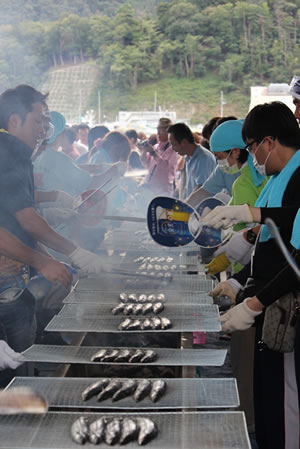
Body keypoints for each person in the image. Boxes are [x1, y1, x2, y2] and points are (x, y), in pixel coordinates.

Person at [206, 101, 300, 449]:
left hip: (286, 310)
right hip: (269, 304)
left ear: (268, 142)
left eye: (250, 148)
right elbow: (269, 238)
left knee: (287, 404)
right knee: (270, 401)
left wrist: (255, 303)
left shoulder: (298, 174)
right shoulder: (278, 177)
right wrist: (240, 281)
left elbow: (296, 257)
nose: (251, 158)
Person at [205, 119, 268, 275]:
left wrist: (230, 253)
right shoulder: (260, 176)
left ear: (235, 151)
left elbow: (256, 226)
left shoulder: (243, 183)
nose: (219, 162)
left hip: (251, 266)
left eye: (219, 157)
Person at [168, 122, 216, 198]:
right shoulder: (189, 157)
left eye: (174, 145)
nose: (173, 149)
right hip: (193, 206)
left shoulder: (203, 158)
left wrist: (186, 205)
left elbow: (201, 189)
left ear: (183, 142)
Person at [139, 118, 179, 195]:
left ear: (168, 132)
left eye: (160, 131)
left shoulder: (173, 148)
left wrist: (153, 153)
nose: (158, 134)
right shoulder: (156, 146)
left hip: (164, 190)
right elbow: (146, 164)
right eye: (157, 130)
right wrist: (144, 150)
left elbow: (166, 167)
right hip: (151, 189)